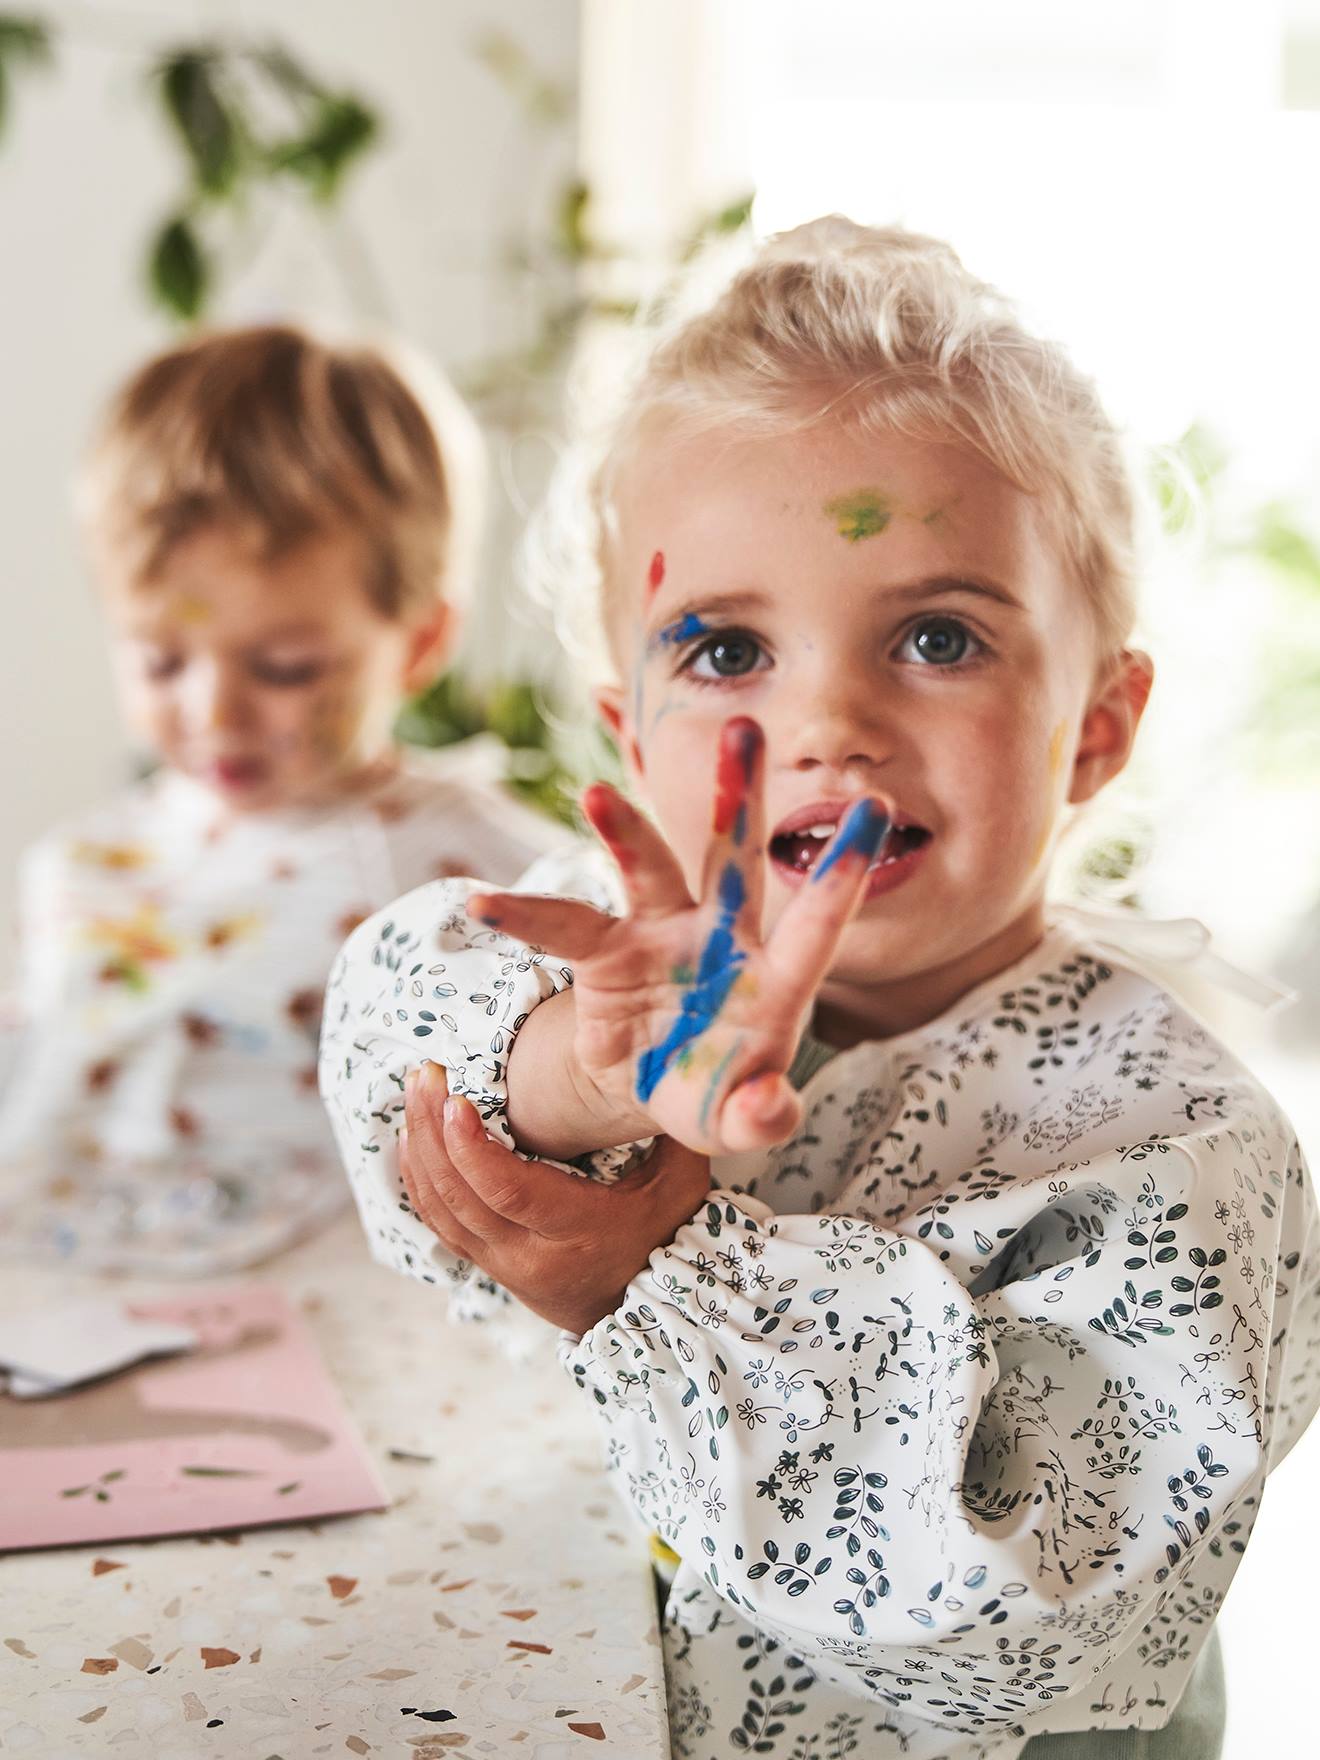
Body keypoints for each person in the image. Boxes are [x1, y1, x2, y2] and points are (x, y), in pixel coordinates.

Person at [318, 222, 1320, 1758]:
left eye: (937, 637)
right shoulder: (610, 972)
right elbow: (391, 1031)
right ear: (626, 730)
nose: (830, 720)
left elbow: (1011, 1624)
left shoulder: (1179, 1147)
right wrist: (591, 1083)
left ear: (1098, 727)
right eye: (724, 647)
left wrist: (645, 1274)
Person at [0, 323, 566, 1275]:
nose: (214, 708)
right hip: (56, 1285)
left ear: (419, 644)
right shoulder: (81, 863)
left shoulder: (480, 870)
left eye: (285, 667)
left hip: (327, 1302)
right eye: (161, 657)